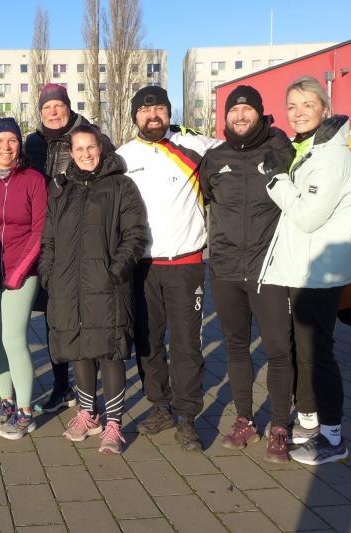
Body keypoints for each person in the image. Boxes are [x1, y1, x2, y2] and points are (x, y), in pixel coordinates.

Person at [259, 76, 351, 465]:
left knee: (317, 354)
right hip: (305, 268)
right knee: (308, 352)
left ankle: (333, 437)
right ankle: (314, 427)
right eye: (292, 106)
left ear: (325, 108)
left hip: (319, 272)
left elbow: (307, 216)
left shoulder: (333, 157)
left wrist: (276, 179)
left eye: (308, 104)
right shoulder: (309, 151)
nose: (299, 112)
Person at [116, 86, 219, 451]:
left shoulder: (194, 146)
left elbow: (239, 150)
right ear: (135, 116)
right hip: (142, 267)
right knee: (148, 343)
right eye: (145, 110)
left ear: (168, 111)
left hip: (186, 265)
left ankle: (187, 417)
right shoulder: (122, 157)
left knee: (187, 344)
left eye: (159, 108)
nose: (153, 115)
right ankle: (161, 406)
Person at [200, 86, 295, 462]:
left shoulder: (280, 152)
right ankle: (245, 421)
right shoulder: (214, 158)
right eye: (234, 111)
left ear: (260, 113)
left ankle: (280, 426)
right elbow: (207, 198)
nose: (240, 116)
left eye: (247, 109)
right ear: (225, 117)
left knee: (278, 349)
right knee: (236, 346)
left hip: (268, 269)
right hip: (224, 269)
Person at [39, 124, 147, 454]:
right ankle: (88, 414)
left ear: (101, 148)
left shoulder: (121, 186)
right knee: (79, 348)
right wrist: (48, 273)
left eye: (91, 147)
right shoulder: (62, 190)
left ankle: (114, 423)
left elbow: (135, 234)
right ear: (71, 153)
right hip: (67, 286)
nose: (86, 154)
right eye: (79, 149)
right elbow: (49, 238)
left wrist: (115, 271)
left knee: (109, 350)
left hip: (106, 285)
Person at [25, 83, 114, 412]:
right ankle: (61, 385)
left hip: (87, 236)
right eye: (47, 107)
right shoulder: (32, 143)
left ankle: (89, 388)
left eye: (58, 105)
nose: (53, 112)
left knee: (90, 315)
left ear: (68, 106)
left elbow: (112, 176)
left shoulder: (89, 135)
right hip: (51, 238)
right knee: (56, 317)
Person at [0, 118, 47, 440]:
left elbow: (41, 229)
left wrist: (21, 270)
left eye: (12, 140)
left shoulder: (33, 179)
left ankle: (25, 411)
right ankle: (5, 401)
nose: (6, 147)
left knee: (13, 338)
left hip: (23, 270)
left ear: (20, 144)